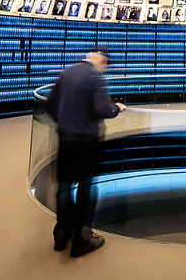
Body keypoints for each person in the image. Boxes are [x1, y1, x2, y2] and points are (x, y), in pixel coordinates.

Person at [45, 47, 125, 257]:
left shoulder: (67, 72)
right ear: (102, 60)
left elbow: (51, 104)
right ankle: (81, 239)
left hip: (65, 137)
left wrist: (66, 123)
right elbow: (102, 110)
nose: (106, 68)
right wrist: (116, 108)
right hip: (86, 141)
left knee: (64, 187)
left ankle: (61, 236)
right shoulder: (95, 76)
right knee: (85, 188)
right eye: (106, 64)